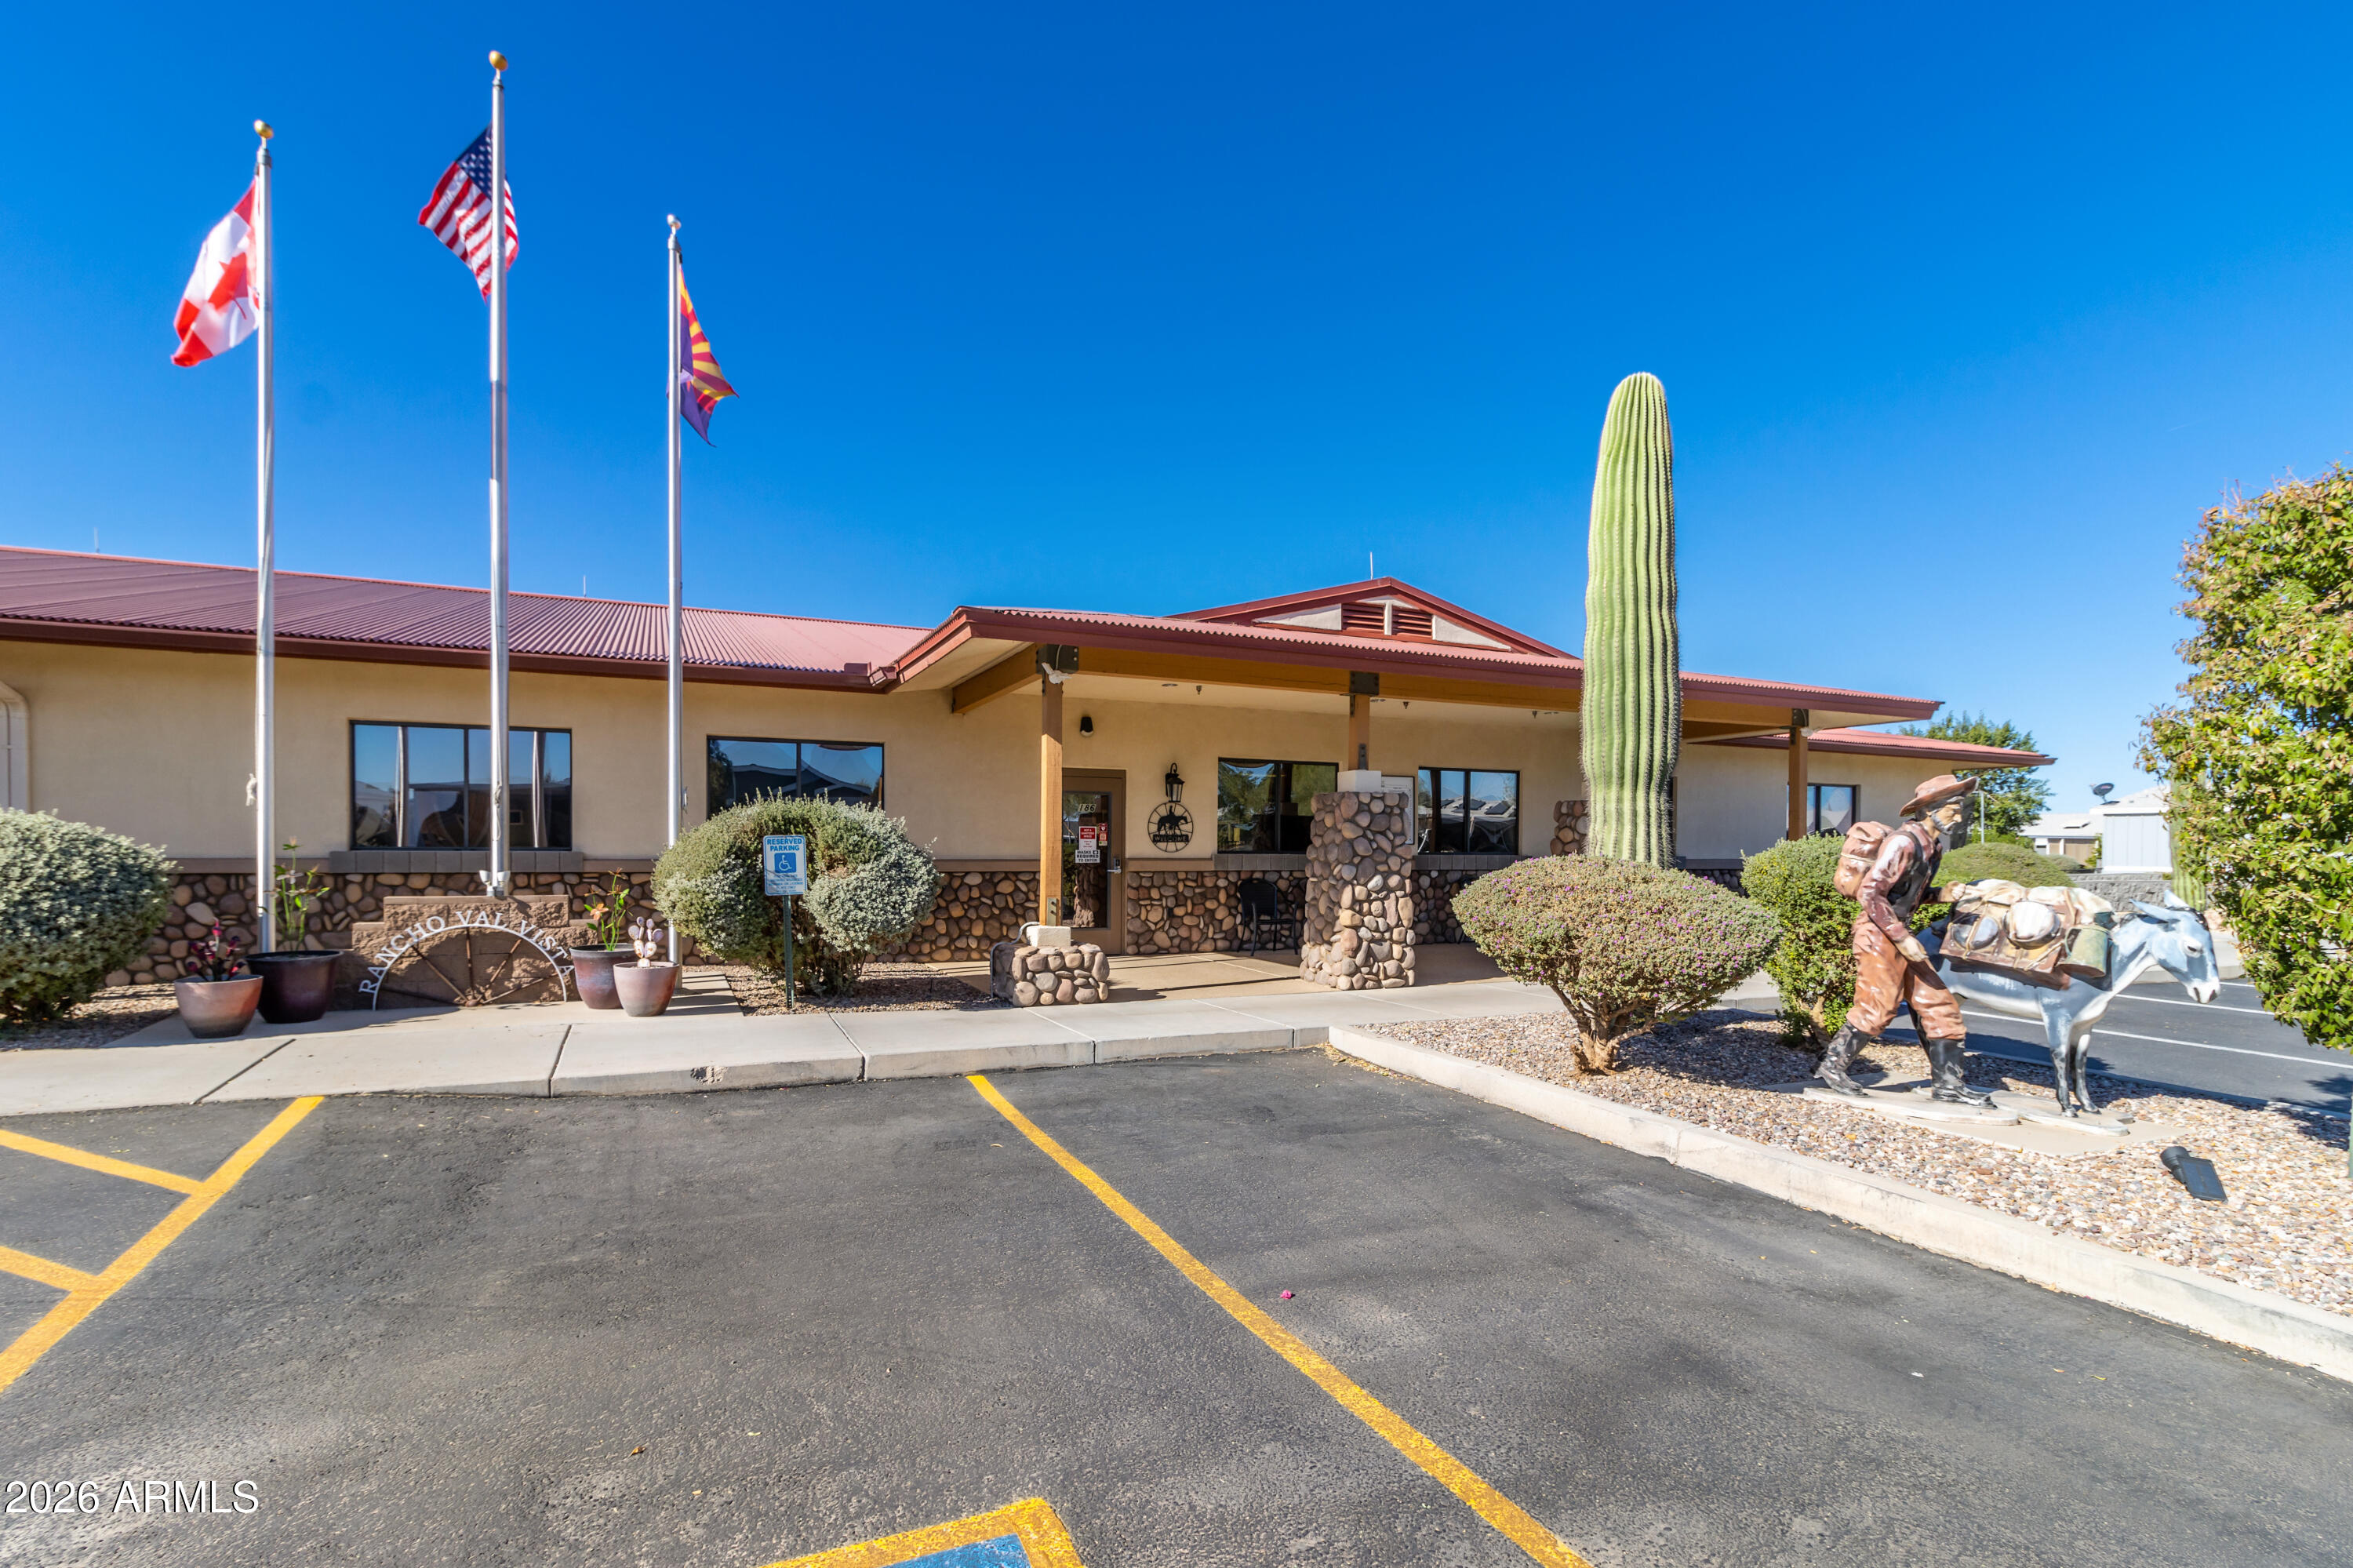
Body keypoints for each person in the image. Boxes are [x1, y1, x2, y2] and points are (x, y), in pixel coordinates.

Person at [1817, 773, 1988, 1105]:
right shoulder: (1904, 843)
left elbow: (1905, 896)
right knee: (1879, 1008)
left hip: (1897, 932)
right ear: (1931, 809)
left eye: (1960, 807)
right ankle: (1832, 1067)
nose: (1958, 814)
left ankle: (1949, 1085)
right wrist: (1901, 938)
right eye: (1953, 807)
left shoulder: (1933, 847)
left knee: (1939, 1004)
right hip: (1878, 934)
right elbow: (1871, 893)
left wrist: (1942, 894)